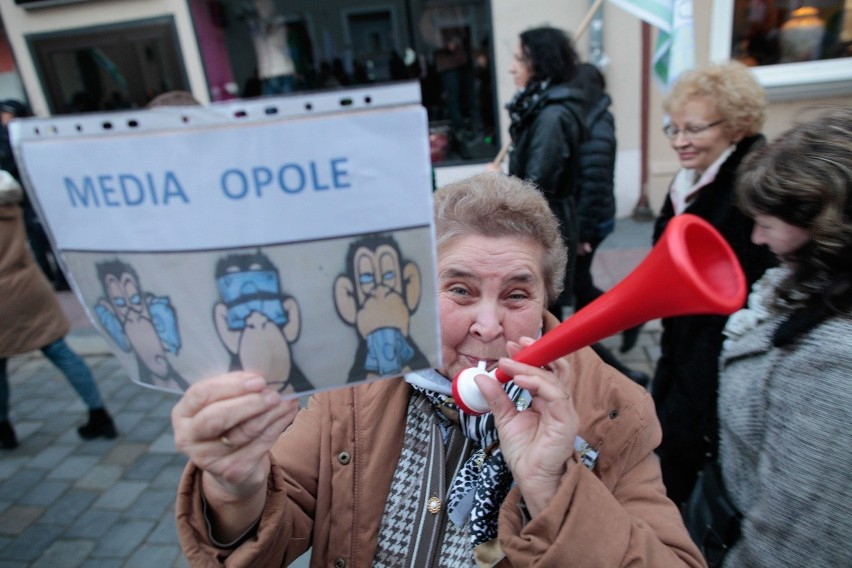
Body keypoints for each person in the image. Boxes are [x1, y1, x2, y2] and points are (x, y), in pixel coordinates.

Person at [171, 172, 705, 566]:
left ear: (548, 296)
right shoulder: (362, 380)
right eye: (460, 290)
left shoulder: (613, 409)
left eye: (517, 294)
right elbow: (276, 525)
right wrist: (234, 488)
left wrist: (552, 487)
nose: (489, 326)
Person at [713, 107, 852, 566]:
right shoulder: (810, 285)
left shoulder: (834, 365)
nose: (755, 237)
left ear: (824, 227)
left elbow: (795, 544)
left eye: (768, 223)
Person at [650, 61, 777, 507]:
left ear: (736, 126)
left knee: (688, 440)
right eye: (673, 128)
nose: (679, 141)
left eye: (695, 129)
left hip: (716, 340)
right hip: (680, 332)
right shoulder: (690, 176)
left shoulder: (752, 182)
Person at [0, 175, 117, 449]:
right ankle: (99, 414)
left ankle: (3, 429)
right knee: (60, 351)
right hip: (28, 285)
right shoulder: (7, 196)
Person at [567, 62, 649, 386]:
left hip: (588, 226)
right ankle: (630, 320)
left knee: (572, 295)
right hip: (588, 222)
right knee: (579, 288)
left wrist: (582, 234)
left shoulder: (594, 126)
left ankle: (614, 365)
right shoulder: (592, 119)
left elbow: (594, 183)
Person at [498, 26, 587, 318]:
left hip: (547, 227)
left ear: (539, 63)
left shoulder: (551, 116)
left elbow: (536, 187)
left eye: (518, 59)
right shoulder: (539, 108)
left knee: (545, 311)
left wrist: (496, 183)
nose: (512, 68)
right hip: (545, 222)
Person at [0, 99, 68, 291]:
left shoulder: (21, 135)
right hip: (24, 197)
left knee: (43, 236)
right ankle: (50, 277)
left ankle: (59, 277)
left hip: (34, 193)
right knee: (35, 239)